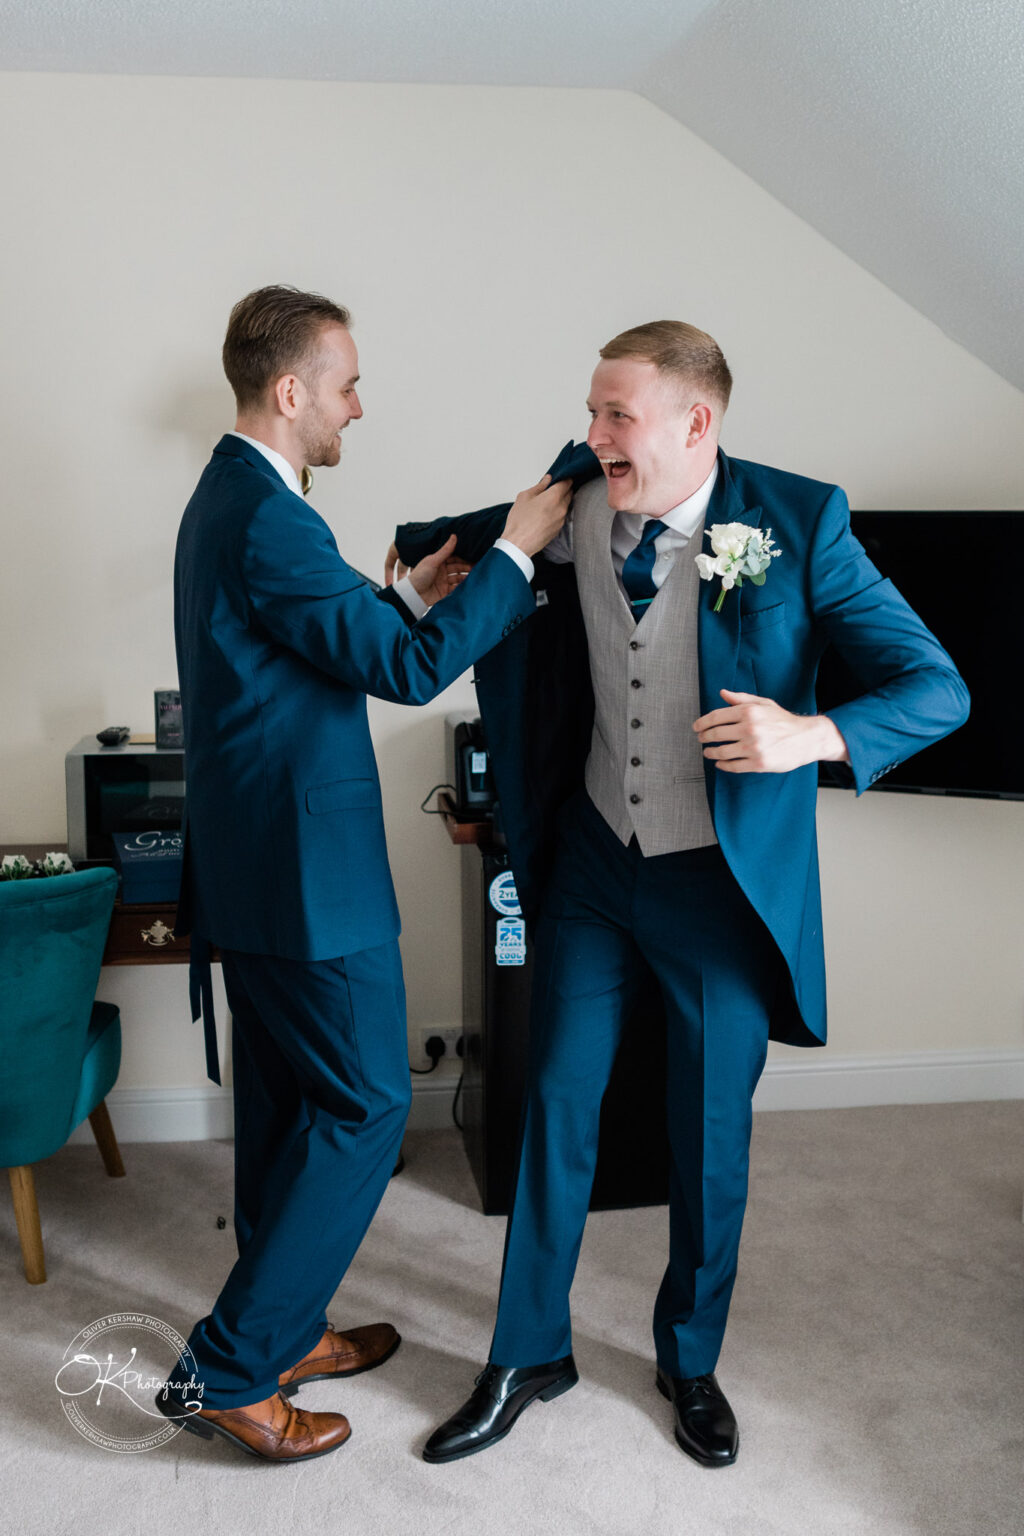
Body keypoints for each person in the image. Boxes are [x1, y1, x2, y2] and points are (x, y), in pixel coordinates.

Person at [389, 320, 969, 1467]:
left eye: (617, 415)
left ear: (694, 423)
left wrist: (810, 732)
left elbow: (936, 687)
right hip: (596, 859)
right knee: (551, 1106)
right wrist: (418, 581)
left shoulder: (798, 522)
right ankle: (525, 1353)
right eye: (592, 410)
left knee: (708, 1136)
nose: (591, 434)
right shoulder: (568, 500)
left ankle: (688, 1360)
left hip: (721, 886)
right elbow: (441, 558)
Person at [158, 285, 569, 1463]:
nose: (357, 406)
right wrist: (512, 556)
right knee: (365, 1105)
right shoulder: (270, 517)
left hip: (261, 863)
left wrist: (403, 597)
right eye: (345, 384)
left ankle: (282, 1331)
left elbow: (314, 648)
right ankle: (233, 1369)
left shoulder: (237, 499)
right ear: (290, 392)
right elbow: (398, 673)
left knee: (291, 1107)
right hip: (303, 875)